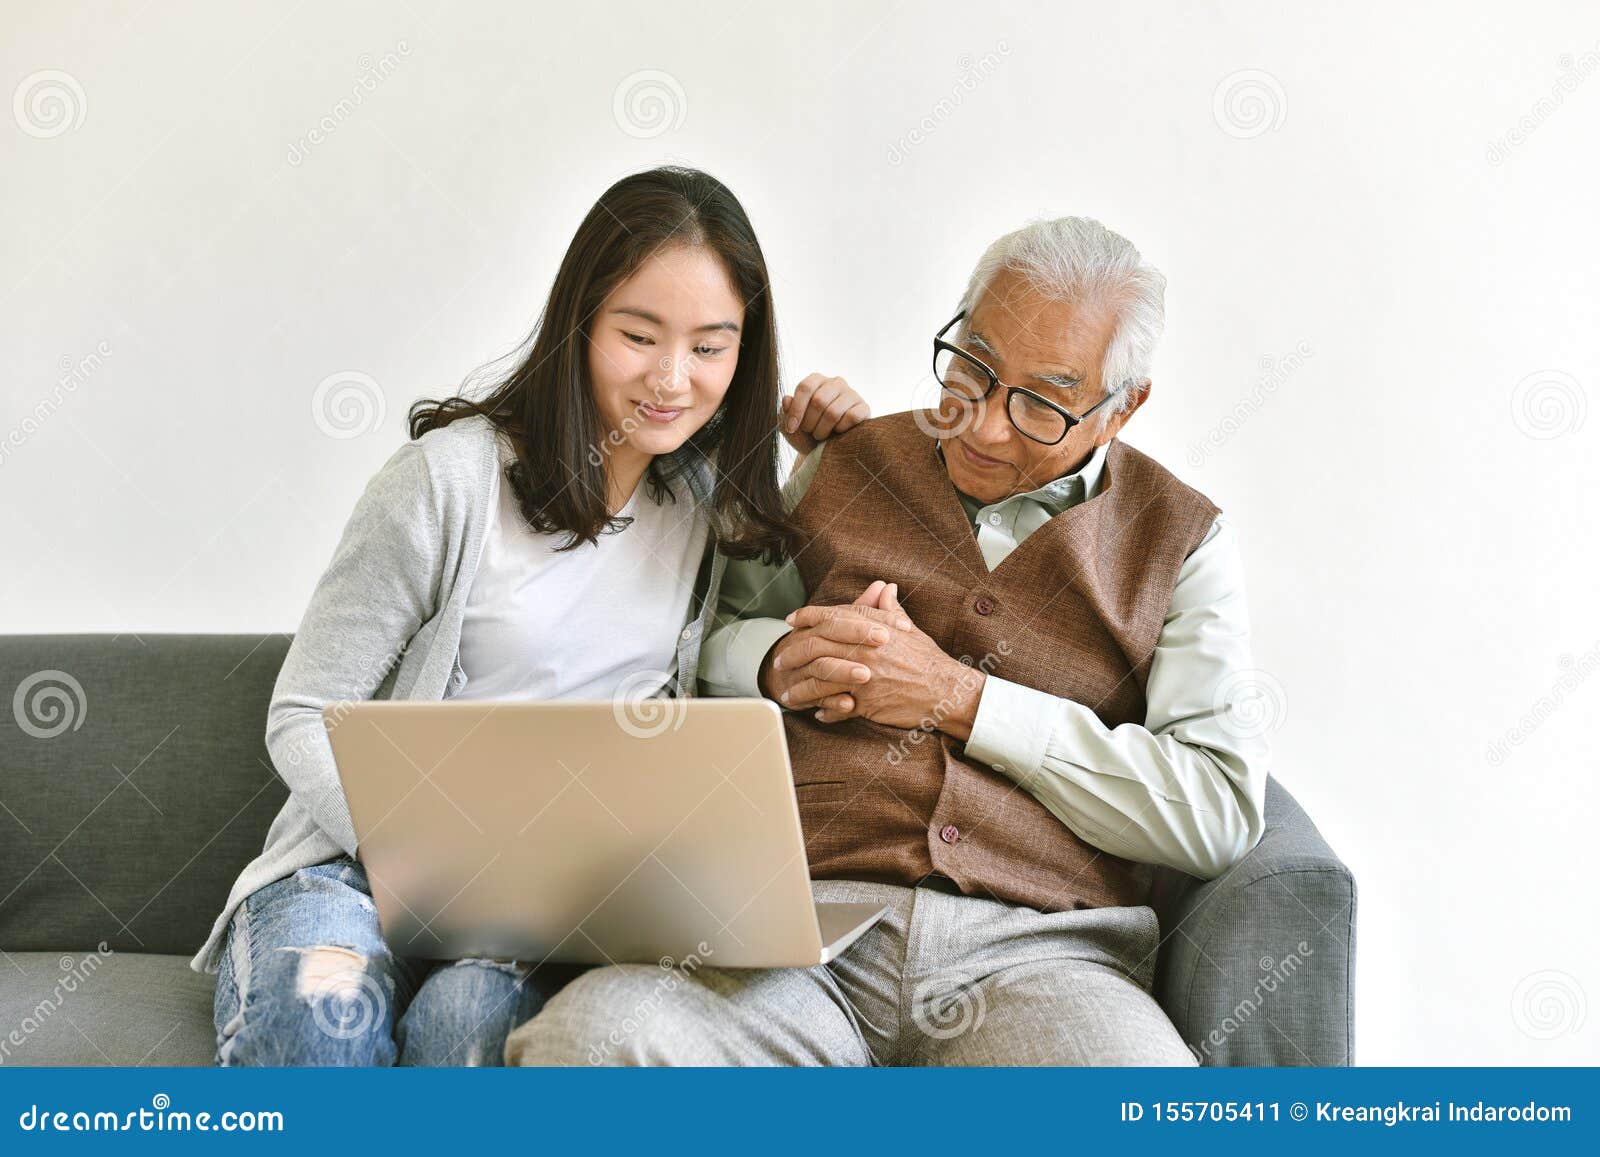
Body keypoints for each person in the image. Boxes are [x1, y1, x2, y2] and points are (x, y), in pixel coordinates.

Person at [502, 214, 1269, 1066]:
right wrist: (771, 663)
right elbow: (702, 645)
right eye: (973, 367)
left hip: (1043, 957)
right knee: (593, 1041)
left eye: (1043, 404)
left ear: (1123, 407)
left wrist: (960, 698)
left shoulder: (1183, 541)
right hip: (794, 933)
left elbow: (1217, 810)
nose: (982, 425)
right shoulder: (845, 458)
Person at [189, 166, 869, 1066]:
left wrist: (833, 455)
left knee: (466, 1035)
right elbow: (302, 713)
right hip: (349, 873)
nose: (672, 378)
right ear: (580, 321)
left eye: (711, 347)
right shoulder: (449, 480)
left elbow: (780, 632)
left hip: (532, 906)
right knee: (321, 1023)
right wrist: (433, 861)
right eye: (638, 335)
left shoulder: (706, 504)